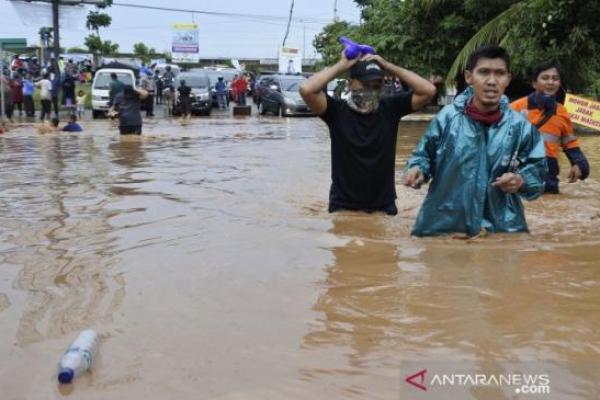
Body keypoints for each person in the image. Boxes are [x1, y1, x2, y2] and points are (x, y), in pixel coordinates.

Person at [403, 45, 547, 237]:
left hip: (502, 229)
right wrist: (417, 170)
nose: (491, 81)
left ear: (508, 79)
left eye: (499, 73)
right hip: (443, 227)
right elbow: (423, 156)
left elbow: (538, 170)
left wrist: (521, 180)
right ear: (469, 77)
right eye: (484, 72)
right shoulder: (447, 118)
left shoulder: (521, 128)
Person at [299, 50, 436, 215]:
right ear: (350, 84)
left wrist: (388, 66)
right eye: (365, 84)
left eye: (376, 86)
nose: (370, 90)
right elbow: (306, 89)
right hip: (343, 206)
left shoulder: (390, 109)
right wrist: (341, 66)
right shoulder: (335, 111)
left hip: (383, 207)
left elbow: (428, 90)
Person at [510, 61, 589, 194]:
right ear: (534, 83)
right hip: (518, 180)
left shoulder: (562, 112)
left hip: (549, 180)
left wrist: (580, 165)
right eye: (545, 78)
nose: (550, 82)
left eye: (555, 79)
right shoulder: (515, 108)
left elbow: (570, 143)